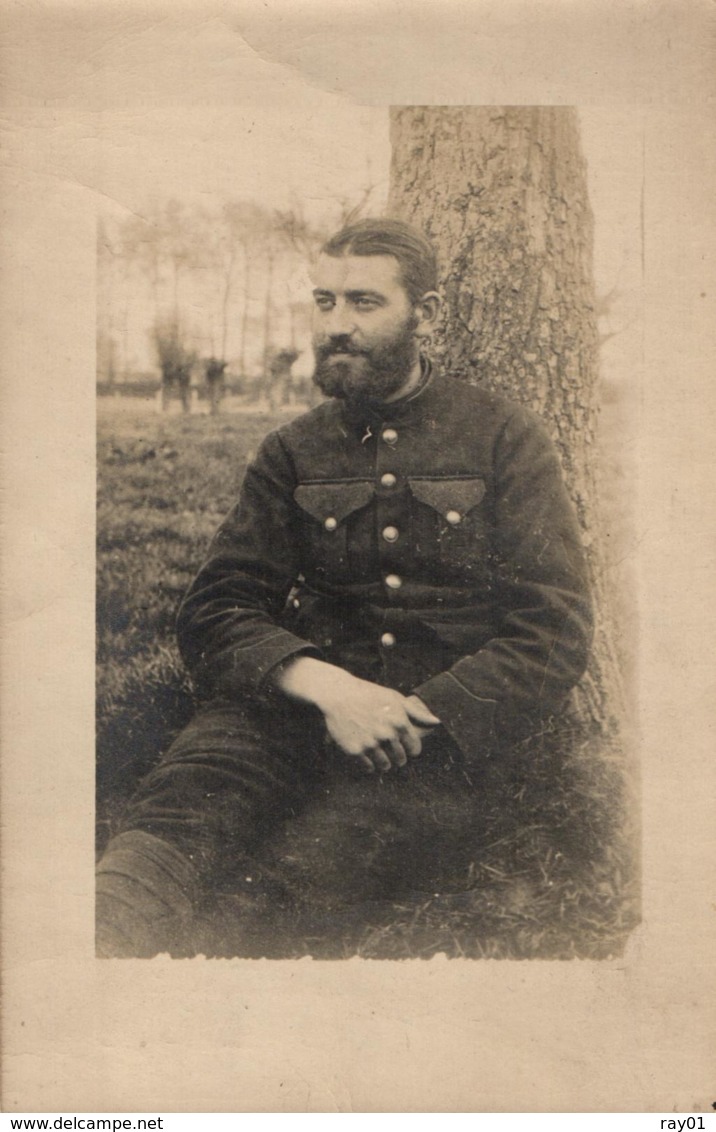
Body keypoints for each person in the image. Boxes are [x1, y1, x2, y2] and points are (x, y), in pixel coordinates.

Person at [96, 218, 593, 958]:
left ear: (428, 313)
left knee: (298, 890)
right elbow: (218, 605)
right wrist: (328, 689)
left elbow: (554, 623)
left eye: (363, 303)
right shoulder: (292, 450)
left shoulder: (502, 436)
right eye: (323, 302)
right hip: (290, 706)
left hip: (429, 737)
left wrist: (426, 714)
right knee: (168, 829)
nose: (335, 326)